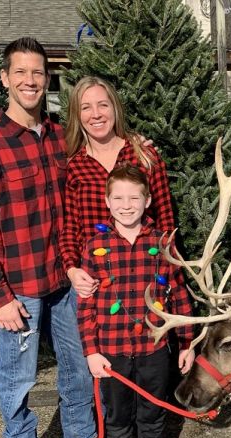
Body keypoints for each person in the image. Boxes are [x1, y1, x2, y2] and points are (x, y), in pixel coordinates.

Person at [0, 38, 97, 438]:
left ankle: (80, 436)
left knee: (78, 364)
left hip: (65, 278)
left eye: (37, 73)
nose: (30, 81)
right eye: (20, 73)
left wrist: (137, 147)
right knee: (17, 379)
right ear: (5, 79)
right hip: (18, 289)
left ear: (47, 78)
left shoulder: (61, 135)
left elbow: (100, 160)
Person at [78, 163, 196, 438]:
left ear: (147, 201)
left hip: (154, 349)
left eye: (134, 197)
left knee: (152, 412)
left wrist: (187, 344)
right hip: (111, 350)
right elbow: (85, 306)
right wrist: (91, 350)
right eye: (118, 197)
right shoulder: (95, 245)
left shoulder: (163, 242)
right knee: (117, 416)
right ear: (107, 201)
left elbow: (179, 293)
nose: (126, 205)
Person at [59, 76, 175, 300]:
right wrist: (72, 270)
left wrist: (169, 271)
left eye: (103, 105)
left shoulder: (144, 156)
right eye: (86, 107)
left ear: (115, 108)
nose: (96, 114)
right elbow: (71, 229)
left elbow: (166, 222)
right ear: (77, 115)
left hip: (144, 275)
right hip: (96, 280)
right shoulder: (75, 166)